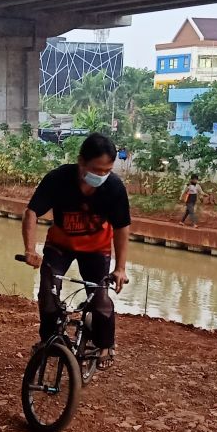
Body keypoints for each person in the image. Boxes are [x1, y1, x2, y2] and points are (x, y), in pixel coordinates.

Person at [21, 133, 130, 367]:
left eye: (107, 170)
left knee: (100, 299)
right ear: (81, 161)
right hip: (60, 246)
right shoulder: (58, 179)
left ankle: (104, 345)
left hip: (97, 248)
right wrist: (30, 249)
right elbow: (31, 212)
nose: (101, 175)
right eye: (96, 169)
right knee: (48, 296)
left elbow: (121, 227)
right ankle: (49, 340)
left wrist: (120, 268)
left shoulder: (114, 188)